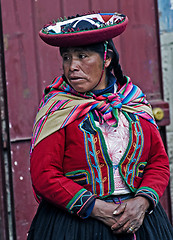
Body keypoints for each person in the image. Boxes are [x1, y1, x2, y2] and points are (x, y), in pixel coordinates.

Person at [27, 12, 173, 240]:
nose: (72, 66)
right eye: (66, 58)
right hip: (75, 227)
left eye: (82, 56)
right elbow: (45, 174)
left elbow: (158, 162)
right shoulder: (57, 109)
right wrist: (97, 209)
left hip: (141, 222)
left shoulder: (133, 103)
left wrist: (143, 202)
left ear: (106, 58)